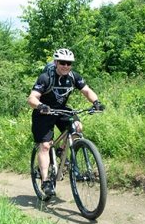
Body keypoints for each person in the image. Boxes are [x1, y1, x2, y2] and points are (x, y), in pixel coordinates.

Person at [27, 48, 104, 198]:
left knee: (77, 127)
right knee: (45, 145)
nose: (66, 66)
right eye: (62, 62)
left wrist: (96, 102)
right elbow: (32, 98)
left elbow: (87, 91)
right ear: (56, 62)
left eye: (69, 63)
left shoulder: (73, 77)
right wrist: (40, 105)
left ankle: (63, 150)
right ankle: (46, 181)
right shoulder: (45, 77)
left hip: (62, 111)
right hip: (44, 113)